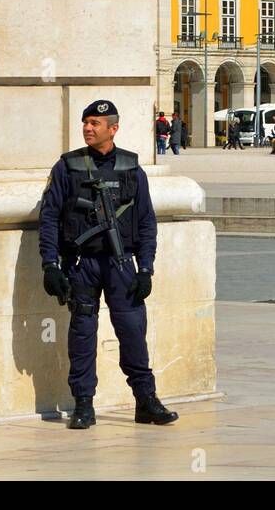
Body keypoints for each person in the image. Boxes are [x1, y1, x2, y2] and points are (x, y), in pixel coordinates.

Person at [39, 100, 177, 430]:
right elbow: (50, 217)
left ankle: (146, 400)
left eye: (95, 123)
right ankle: (83, 405)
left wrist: (146, 269)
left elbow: (146, 222)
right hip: (82, 263)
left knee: (132, 333)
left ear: (113, 128)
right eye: (85, 122)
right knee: (83, 334)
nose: (88, 128)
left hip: (121, 264)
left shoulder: (131, 167)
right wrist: (50, 265)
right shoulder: (67, 166)